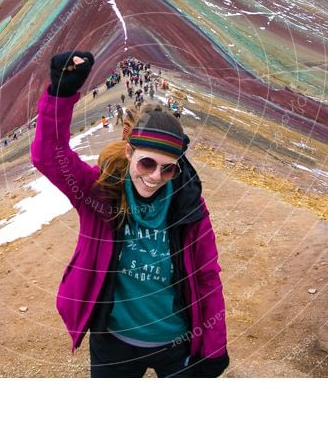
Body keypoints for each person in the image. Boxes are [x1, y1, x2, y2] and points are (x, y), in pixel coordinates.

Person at [31, 51, 228, 378]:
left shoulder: (189, 207)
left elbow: (207, 276)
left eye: (168, 169)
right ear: (129, 152)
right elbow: (49, 156)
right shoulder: (99, 193)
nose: (154, 176)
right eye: (147, 163)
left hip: (176, 340)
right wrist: (62, 94)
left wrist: (213, 346)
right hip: (113, 342)